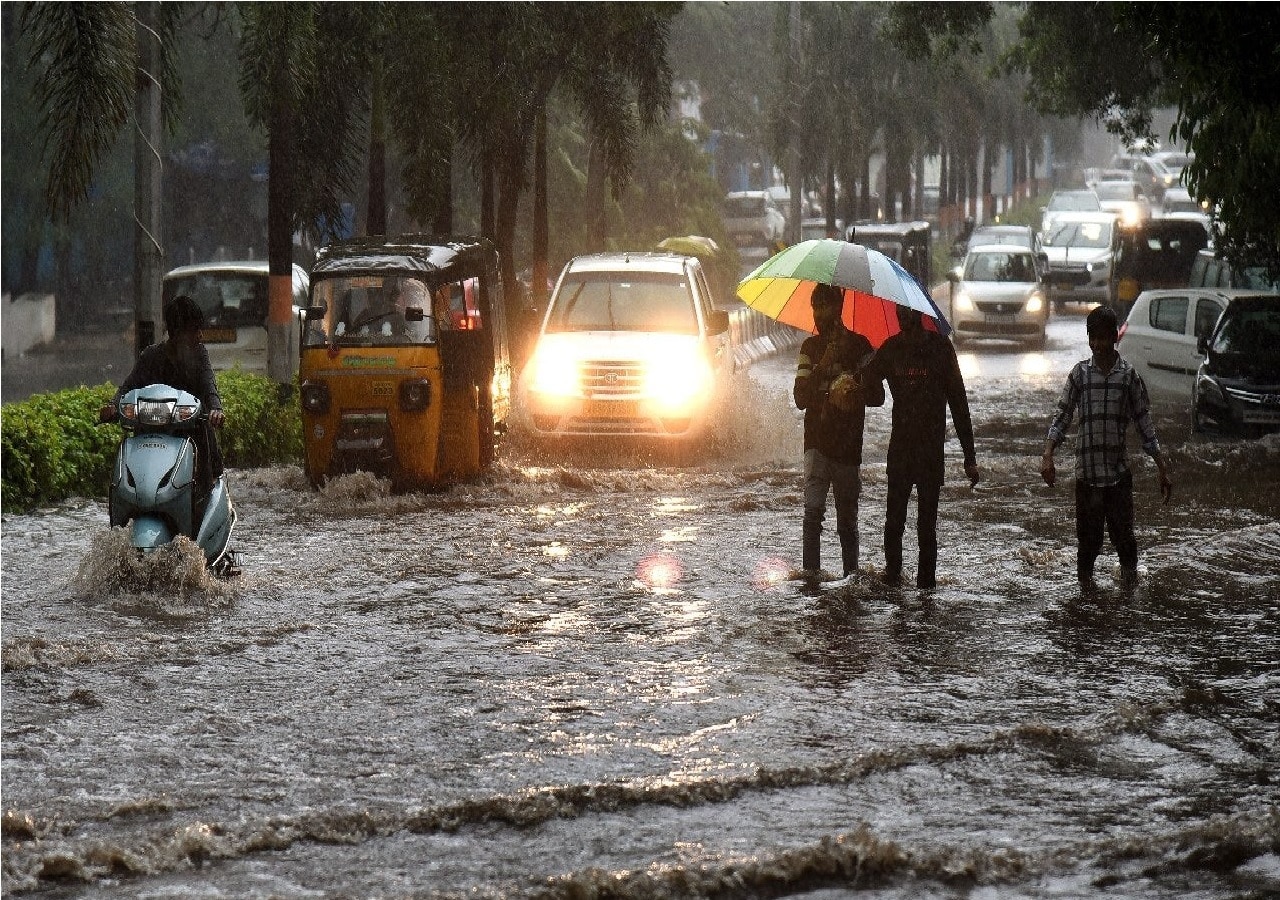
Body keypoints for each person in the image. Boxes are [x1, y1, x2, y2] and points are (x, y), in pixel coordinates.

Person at [1041, 304, 1172, 589]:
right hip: (1087, 477)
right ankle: (1087, 599)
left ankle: (1128, 595)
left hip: (1117, 477)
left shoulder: (1128, 377)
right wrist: (1048, 454)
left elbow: (1144, 424)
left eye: (1102, 338)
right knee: (1087, 547)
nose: (1097, 344)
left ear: (1115, 337)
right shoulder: (1079, 375)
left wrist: (1161, 466)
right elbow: (1062, 416)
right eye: (1092, 338)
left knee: (1125, 541)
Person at [862, 304, 980, 590]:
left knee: (927, 528)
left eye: (906, 312)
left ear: (919, 313)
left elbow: (958, 402)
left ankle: (926, 589)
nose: (901, 317)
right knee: (894, 524)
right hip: (900, 451)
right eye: (898, 313)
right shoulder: (890, 349)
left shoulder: (941, 348)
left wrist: (970, 457)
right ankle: (893, 582)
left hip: (930, 452)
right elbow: (870, 387)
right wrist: (864, 372)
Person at [792, 282, 885, 579]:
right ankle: (811, 579)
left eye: (824, 307)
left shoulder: (861, 347)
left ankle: (851, 578)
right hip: (816, 443)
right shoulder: (810, 348)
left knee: (847, 522)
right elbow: (800, 398)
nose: (818, 315)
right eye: (815, 308)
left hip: (848, 446)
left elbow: (878, 397)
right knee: (812, 516)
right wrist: (823, 365)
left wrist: (853, 383)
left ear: (838, 309)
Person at [100, 295, 225, 493]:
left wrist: (215, 409)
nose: (199, 336)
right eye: (194, 330)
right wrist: (113, 405)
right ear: (177, 332)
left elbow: (209, 385)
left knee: (204, 480)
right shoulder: (151, 356)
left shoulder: (200, 355)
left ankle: (202, 496)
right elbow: (128, 386)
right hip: (152, 433)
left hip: (191, 431)